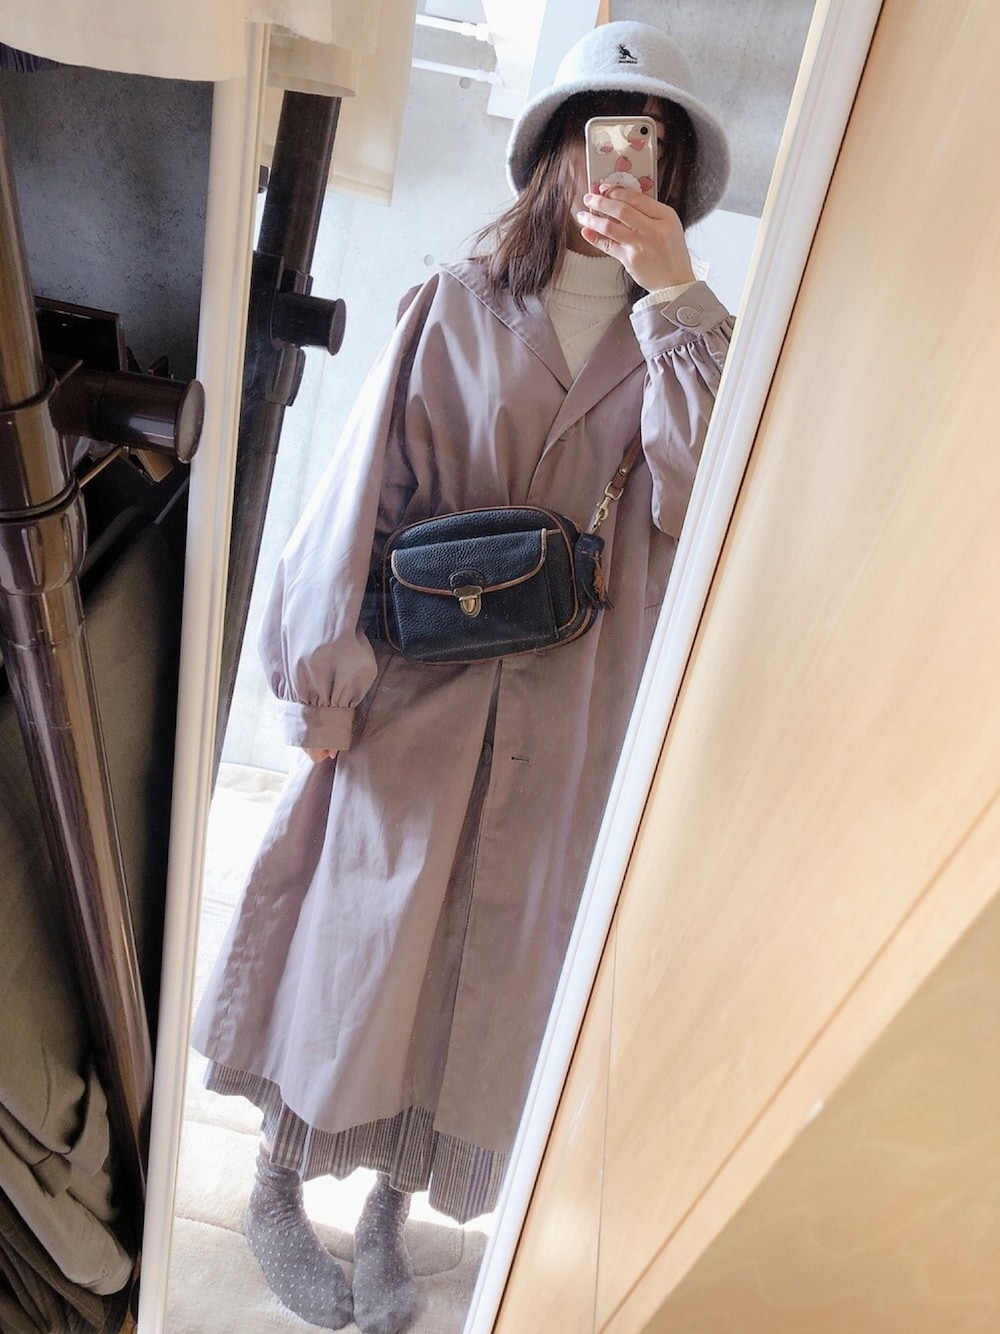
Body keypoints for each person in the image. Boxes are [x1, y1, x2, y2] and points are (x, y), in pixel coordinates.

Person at [191, 19, 733, 1334]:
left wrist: (679, 298)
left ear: (672, 171)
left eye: (649, 144)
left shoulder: (683, 338)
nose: (622, 162)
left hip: (575, 702)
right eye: (603, 135)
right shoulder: (455, 302)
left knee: (488, 960)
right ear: (556, 152)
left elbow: (709, 494)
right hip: (416, 679)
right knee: (357, 933)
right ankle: (277, 1180)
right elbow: (359, 499)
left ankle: (395, 1202)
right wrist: (324, 685)